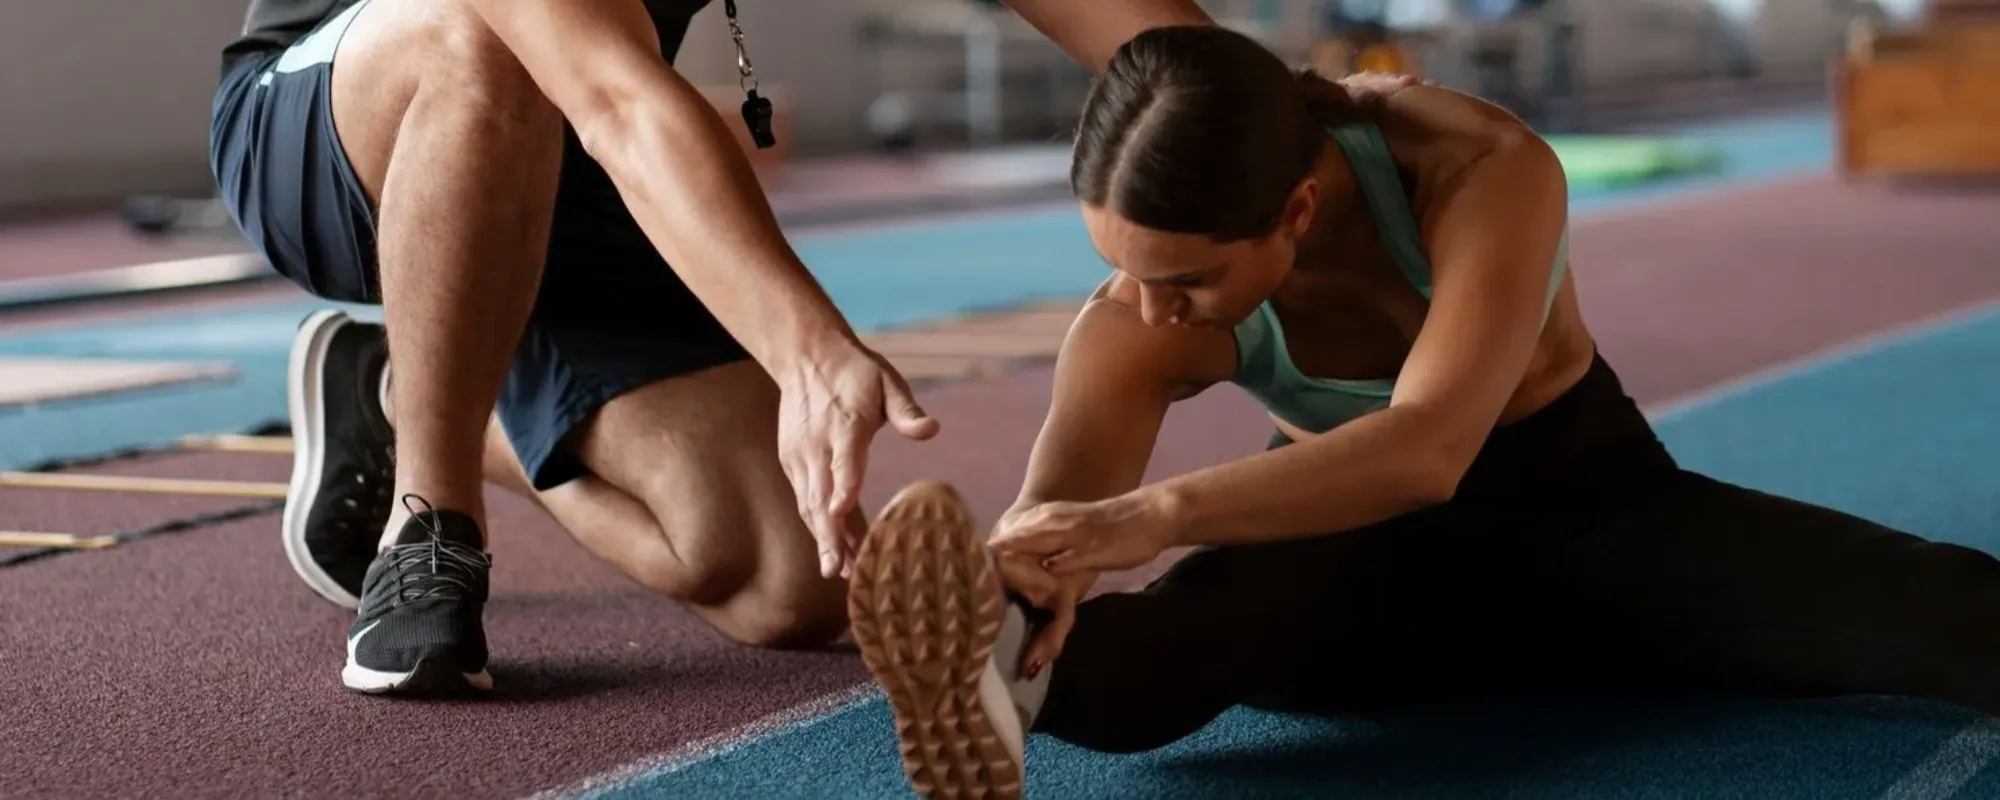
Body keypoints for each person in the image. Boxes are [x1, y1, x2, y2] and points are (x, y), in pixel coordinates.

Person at [846, 25, 2000, 800]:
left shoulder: (1481, 168)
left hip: (1587, 514)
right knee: (1132, 665)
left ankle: (1581, 640)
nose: (1148, 309)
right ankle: (988, 683)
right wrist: (1016, 583)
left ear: (1296, 211)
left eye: (1187, 279)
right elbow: (1059, 520)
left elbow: (1426, 447)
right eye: (1120, 267)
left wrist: (1155, 512)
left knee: (1942, 610)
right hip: (1352, 555)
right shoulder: (1130, 322)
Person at [206, 0, 1401, 695]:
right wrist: (809, 349)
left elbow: (1146, 36)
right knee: (478, 44)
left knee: (786, 582)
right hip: (341, 121)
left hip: (567, 149)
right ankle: (430, 520)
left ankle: (397, 387)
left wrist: (1320, 147)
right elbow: (621, 103)